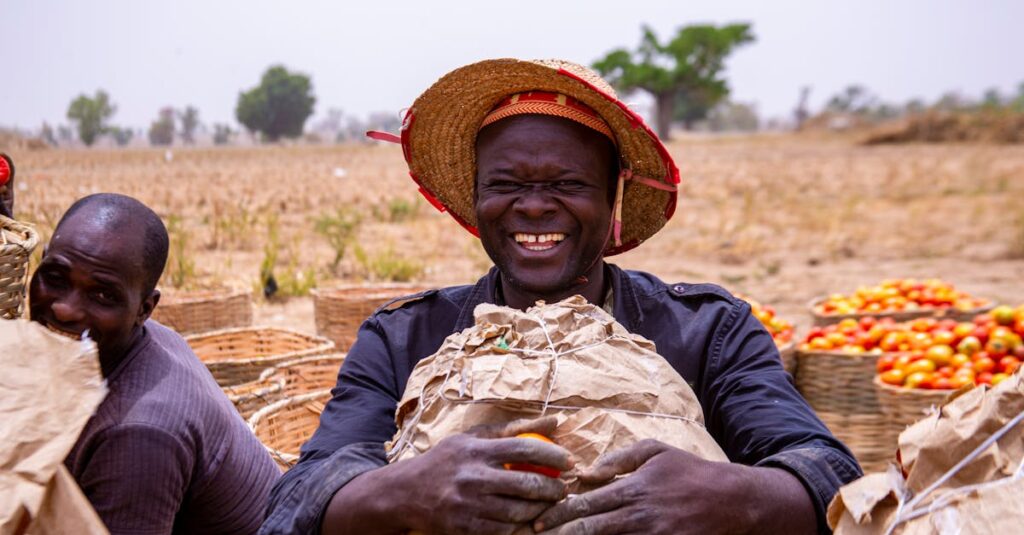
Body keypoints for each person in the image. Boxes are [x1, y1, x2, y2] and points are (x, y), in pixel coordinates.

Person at [261, 59, 861, 535]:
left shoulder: (706, 331)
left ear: (612, 198)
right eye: (505, 184)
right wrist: (405, 490)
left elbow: (829, 476)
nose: (534, 206)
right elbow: (297, 501)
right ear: (474, 198)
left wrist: (729, 498)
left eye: (568, 184)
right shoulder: (402, 339)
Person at [29, 193, 281, 534]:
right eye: (55, 277)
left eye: (103, 295)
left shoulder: (137, 433)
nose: (65, 309)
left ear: (144, 309)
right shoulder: (126, 343)